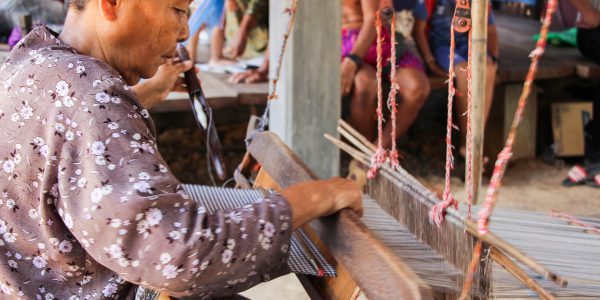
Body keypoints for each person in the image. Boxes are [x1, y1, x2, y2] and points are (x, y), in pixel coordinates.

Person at [0, 1, 362, 299]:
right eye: (178, 9)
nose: (186, 31)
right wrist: (312, 199)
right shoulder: (91, 96)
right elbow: (178, 257)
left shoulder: (34, 62)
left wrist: (148, 95)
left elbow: (73, 146)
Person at [412, 0, 499, 159]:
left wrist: (493, 57)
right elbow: (418, 30)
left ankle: (477, 137)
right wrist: (430, 61)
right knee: (464, 72)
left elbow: (491, 30)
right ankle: (468, 142)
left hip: (470, 44)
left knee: (489, 70)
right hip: (443, 46)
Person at [342, 0, 430, 152]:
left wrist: (352, 61)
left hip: (378, 39)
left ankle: (377, 151)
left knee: (417, 87)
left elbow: (373, 17)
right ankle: (364, 154)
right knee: (365, 85)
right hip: (343, 42)